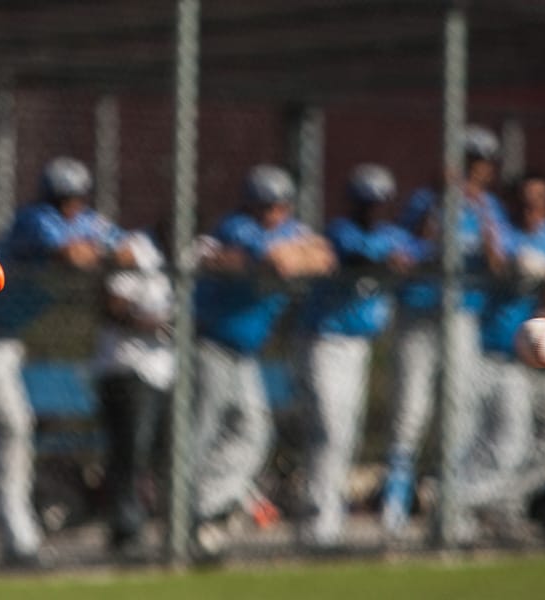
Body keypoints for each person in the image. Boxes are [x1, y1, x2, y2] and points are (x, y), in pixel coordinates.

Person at [0, 156, 128, 571]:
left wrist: (105, 246)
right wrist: (101, 248)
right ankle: (17, 540)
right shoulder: (36, 219)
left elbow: (125, 245)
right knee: (9, 429)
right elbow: (73, 254)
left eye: (76, 199)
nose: (71, 206)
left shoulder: (83, 220)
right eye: (63, 199)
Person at [190, 164, 336, 560]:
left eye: (279, 205)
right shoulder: (236, 228)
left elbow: (324, 257)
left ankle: (202, 508)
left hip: (244, 355)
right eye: (265, 206)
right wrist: (293, 253)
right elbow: (281, 263)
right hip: (210, 346)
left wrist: (297, 252)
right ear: (251, 205)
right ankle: (185, 520)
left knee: (254, 433)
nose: (273, 212)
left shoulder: (285, 230)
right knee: (200, 437)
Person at [380, 124, 513, 538]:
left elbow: (499, 263)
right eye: (471, 162)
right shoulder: (427, 200)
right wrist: (442, 205)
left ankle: (448, 510)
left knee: (459, 411)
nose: (478, 171)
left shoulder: (489, 207)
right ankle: (394, 510)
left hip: (461, 314)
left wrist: (481, 211)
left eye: (483, 164)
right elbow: (405, 250)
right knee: (410, 412)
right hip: (421, 311)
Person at [466, 170, 545, 543]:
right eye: (524, 200)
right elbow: (496, 258)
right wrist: (509, 260)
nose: (531, 208)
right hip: (504, 356)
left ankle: (503, 502)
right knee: (509, 439)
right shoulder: (505, 232)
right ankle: (467, 504)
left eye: (539, 200)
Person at [295, 163, 417, 550]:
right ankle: (318, 522)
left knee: (346, 433)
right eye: (366, 202)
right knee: (329, 429)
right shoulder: (341, 231)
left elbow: (417, 254)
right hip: (325, 340)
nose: (373, 209)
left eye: (379, 202)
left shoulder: (392, 234)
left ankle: (328, 521)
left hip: (359, 346)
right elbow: (356, 261)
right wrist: (392, 263)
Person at [92, 225, 175, 557]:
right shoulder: (137, 249)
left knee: (166, 454)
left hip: (162, 373)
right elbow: (114, 306)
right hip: (126, 370)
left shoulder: (180, 260)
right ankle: (126, 532)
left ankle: (175, 529)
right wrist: (154, 323)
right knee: (129, 454)